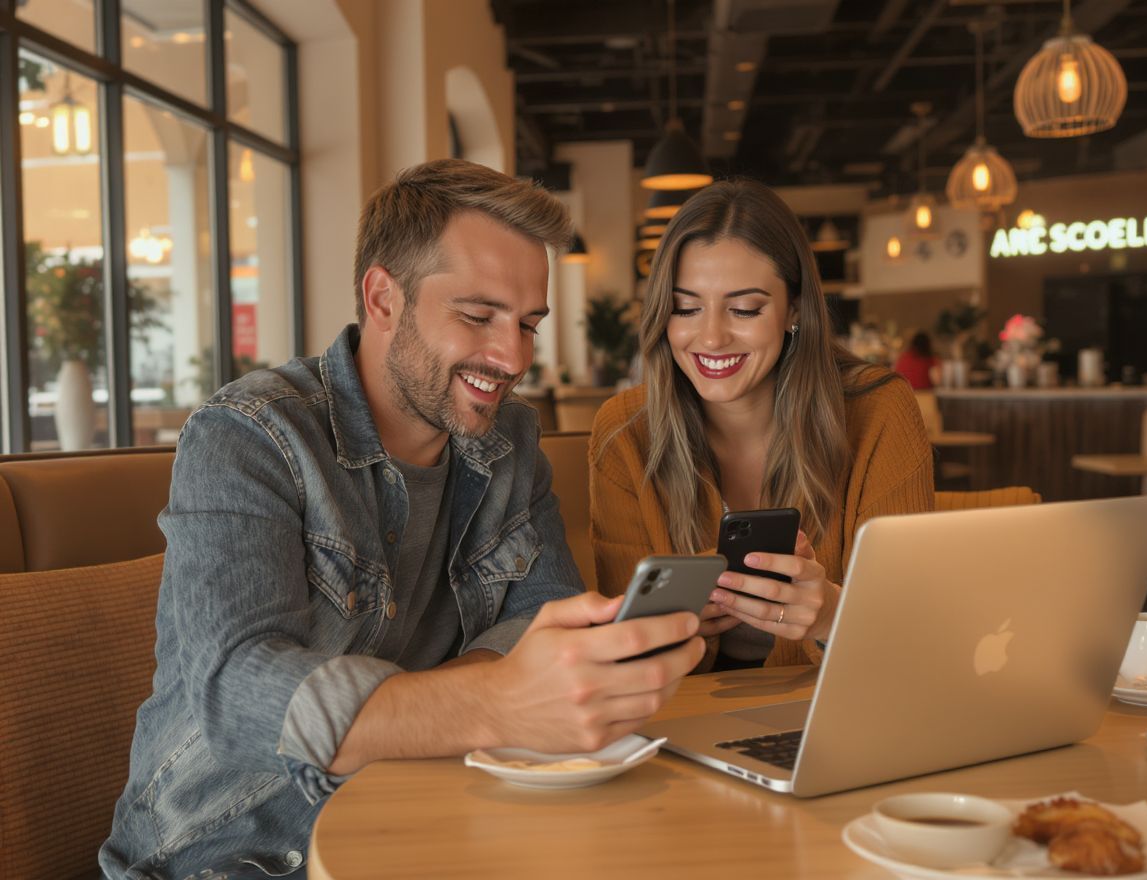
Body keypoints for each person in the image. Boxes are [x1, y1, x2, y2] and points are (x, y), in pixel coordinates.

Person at [101, 160, 705, 879]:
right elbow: (239, 692)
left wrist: (479, 701)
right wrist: (493, 700)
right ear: (383, 298)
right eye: (477, 317)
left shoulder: (509, 442)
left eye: (528, 324)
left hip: (423, 822)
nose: (513, 356)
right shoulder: (251, 435)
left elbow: (544, 619)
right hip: (226, 857)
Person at [589, 179, 934, 671]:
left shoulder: (880, 411)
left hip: (832, 706)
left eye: (744, 309)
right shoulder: (624, 432)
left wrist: (833, 616)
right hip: (684, 709)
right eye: (686, 308)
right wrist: (666, 633)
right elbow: (622, 655)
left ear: (795, 308)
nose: (711, 337)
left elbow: (912, 636)